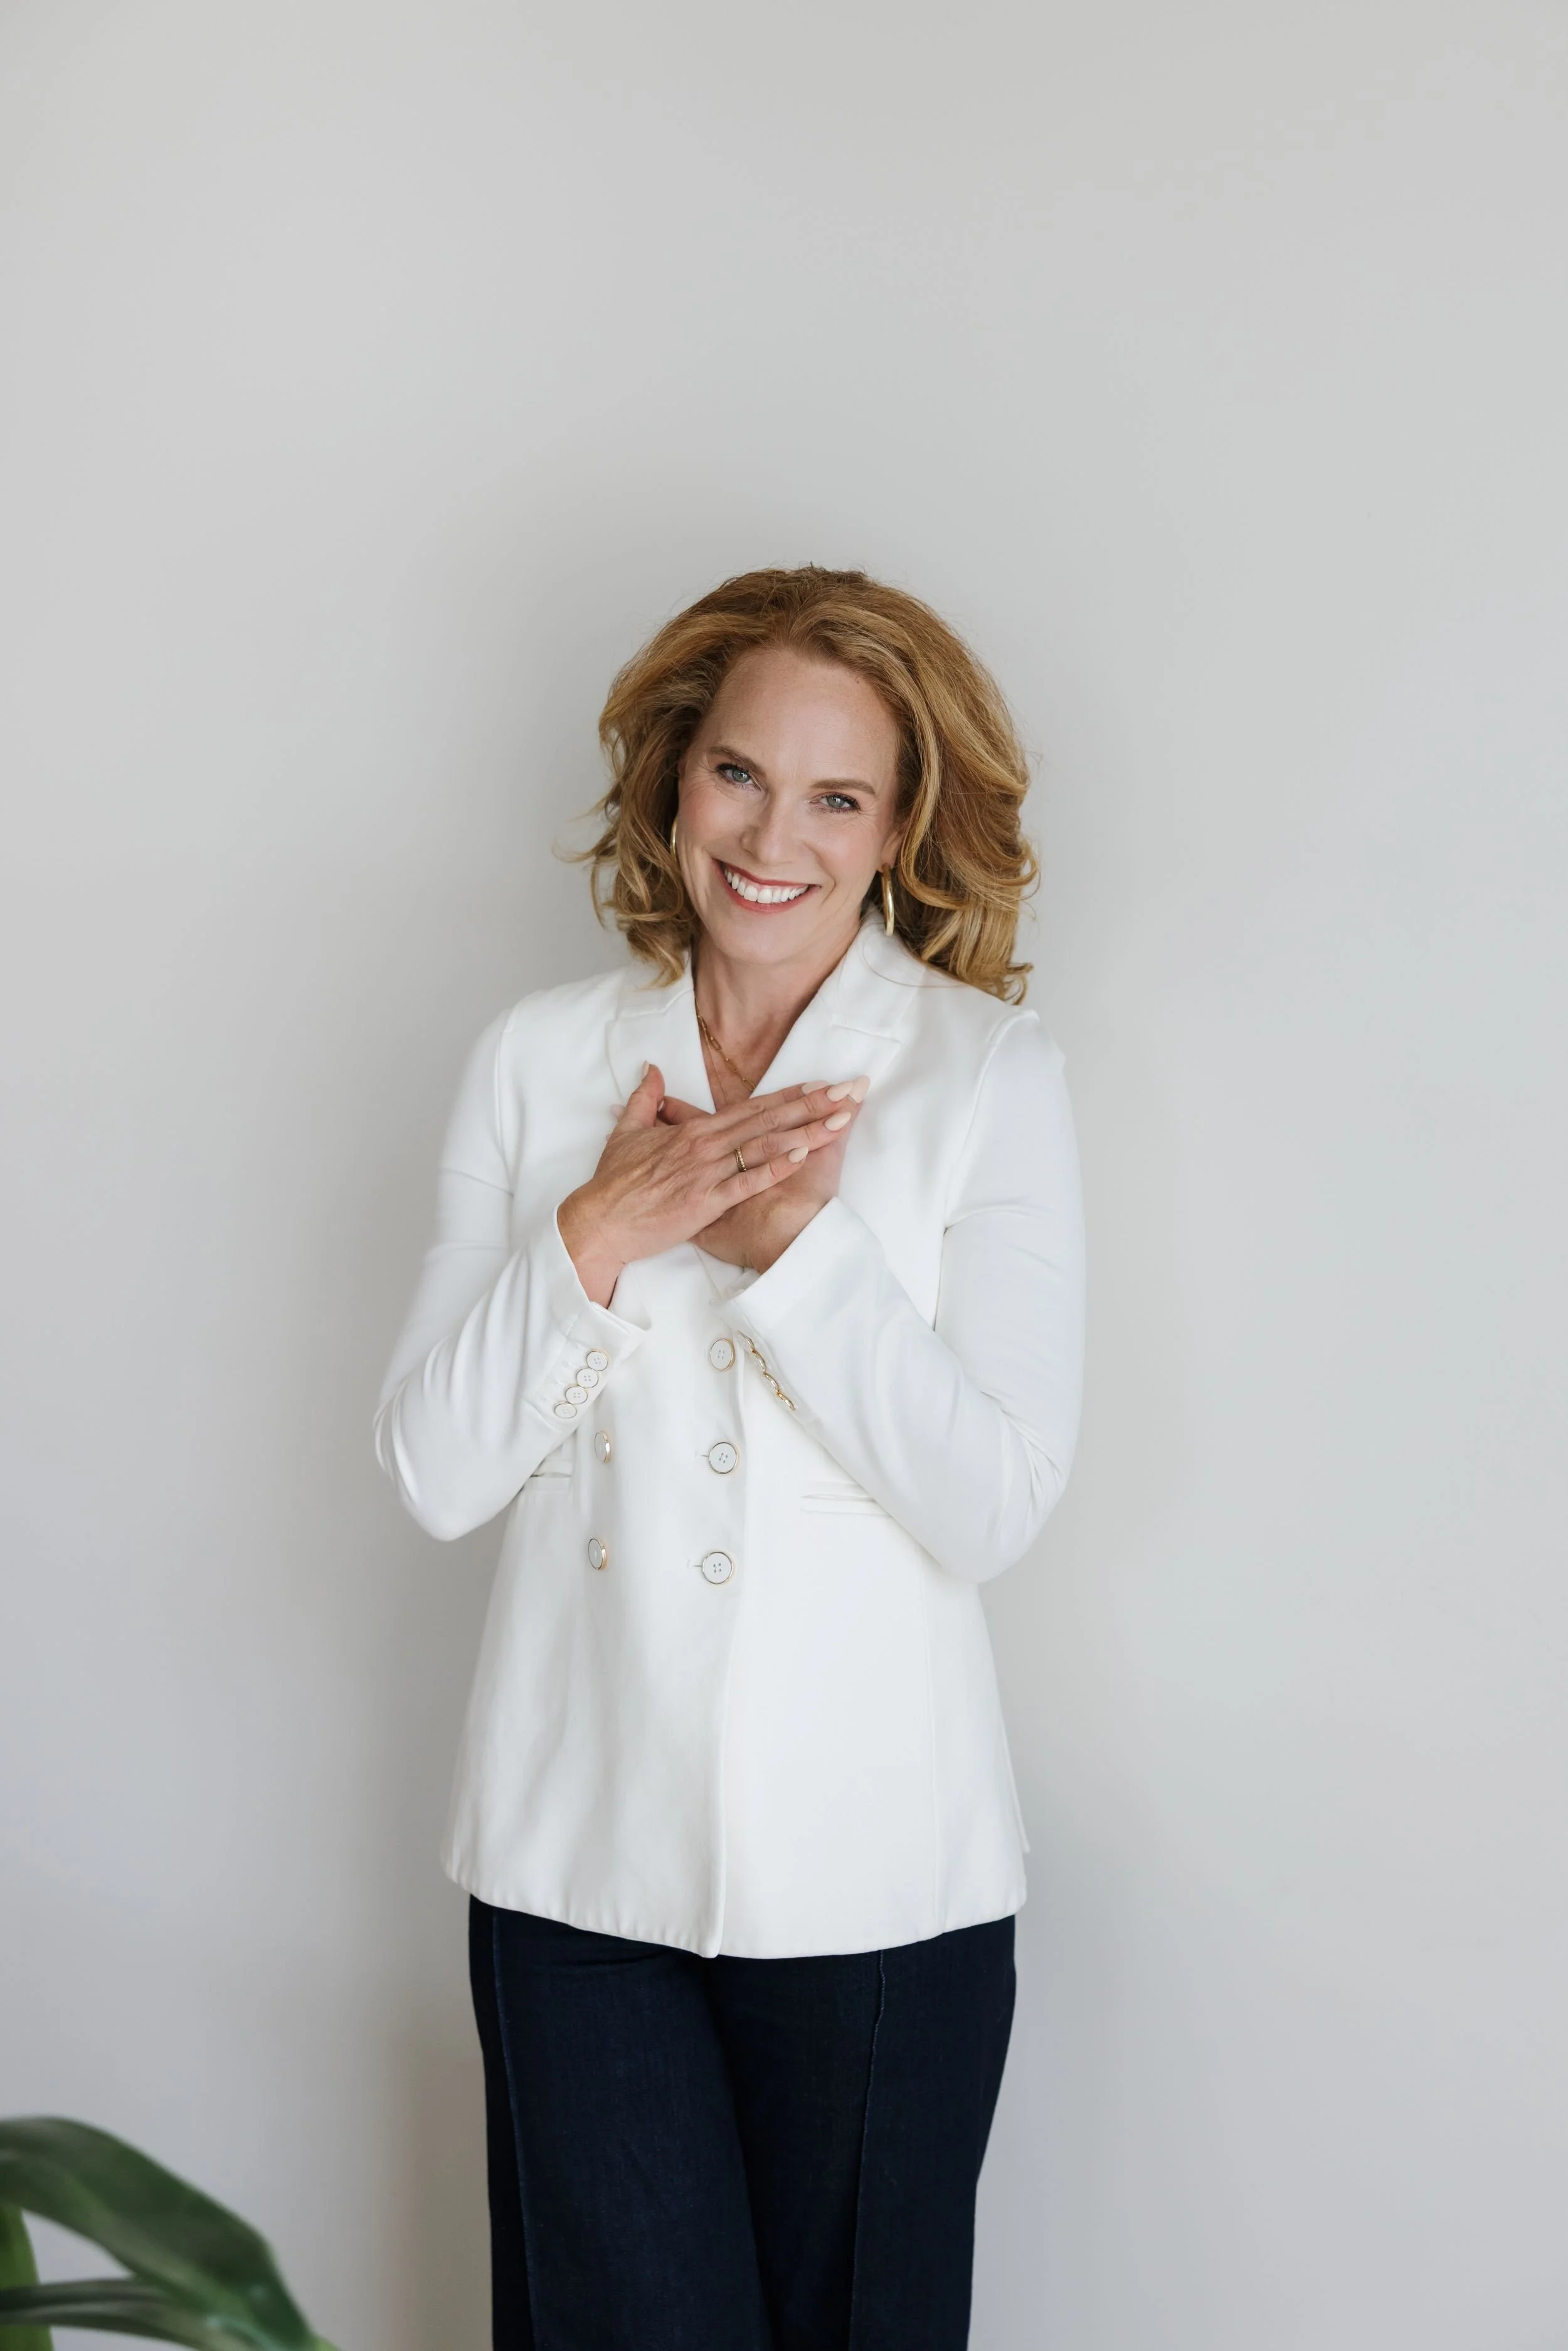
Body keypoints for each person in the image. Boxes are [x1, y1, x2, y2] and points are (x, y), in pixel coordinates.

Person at [374, 565, 1086, 2350]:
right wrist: (594, 1239)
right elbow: (429, 1468)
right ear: (674, 781)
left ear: (901, 825)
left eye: (837, 795)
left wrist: (797, 1260)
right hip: (574, 1868)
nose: (774, 836)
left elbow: (991, 1497)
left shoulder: (984, 1078)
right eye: (739, 775)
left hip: (879, 1877)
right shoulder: (539, 1063)